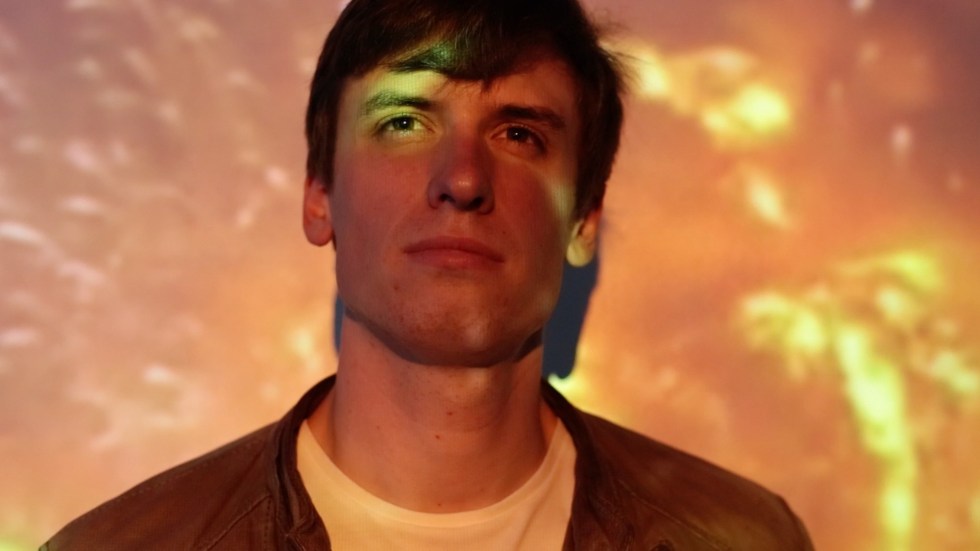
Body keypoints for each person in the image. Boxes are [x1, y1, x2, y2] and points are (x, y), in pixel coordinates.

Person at [44, 0, 814, 549]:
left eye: (518, 134)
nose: (463, 178)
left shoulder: (740, 539)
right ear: (320, 196)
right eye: (404, 121)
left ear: (583, 218)